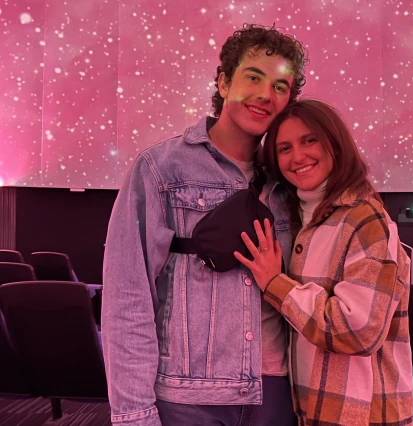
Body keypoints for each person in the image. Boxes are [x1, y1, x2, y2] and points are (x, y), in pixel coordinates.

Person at [102, 24, 308, 426]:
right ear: (224, 80)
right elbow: (128, 299)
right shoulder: (161, 168)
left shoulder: (290, 182)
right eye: (254, 77)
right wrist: (133, 413)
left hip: (278, 390)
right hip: (189, 395)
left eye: (281, 86)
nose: (266, 94)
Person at [234, 99, 413, 426]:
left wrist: (275, 284)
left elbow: (358, 331)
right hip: (316, 410)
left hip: (361, 416)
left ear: (334, 142)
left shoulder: (364, 219)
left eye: (309, 140)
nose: (298, 156)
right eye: (284, 148)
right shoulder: (305, 219)